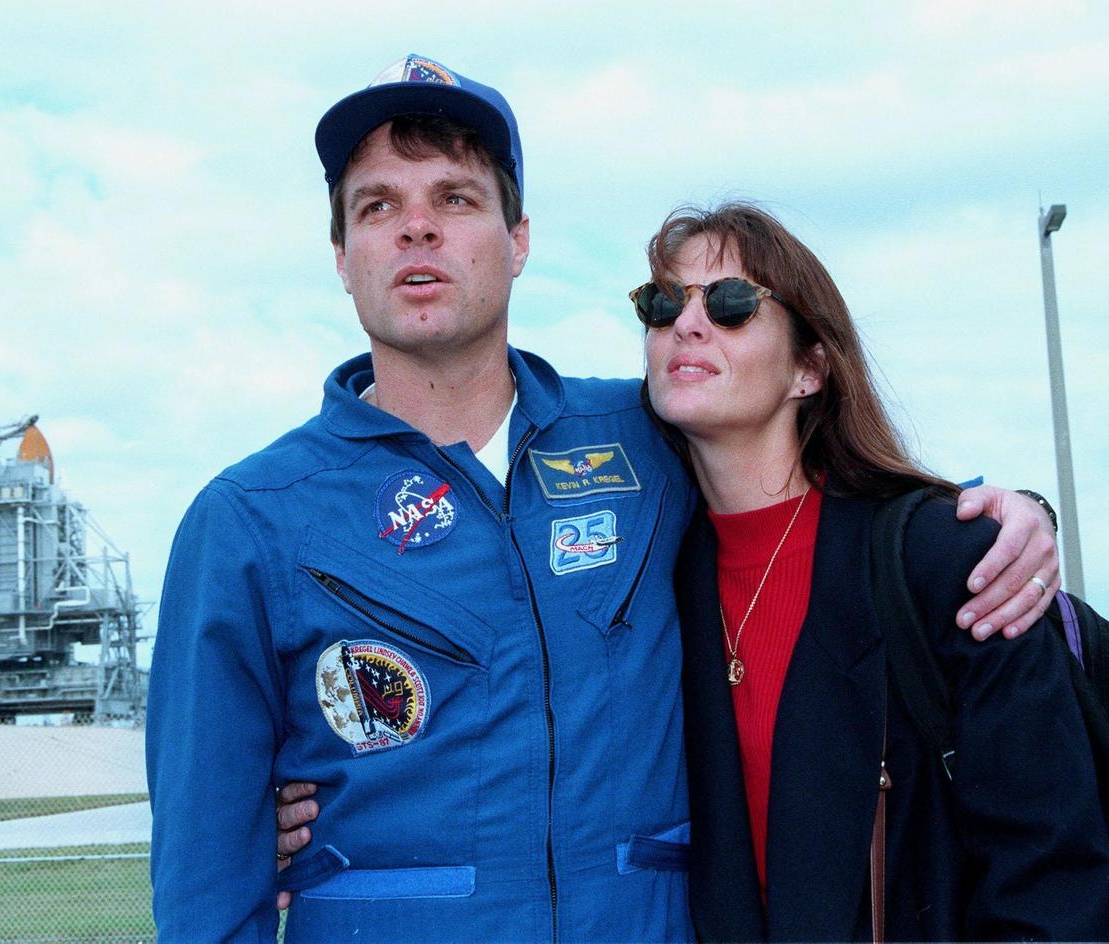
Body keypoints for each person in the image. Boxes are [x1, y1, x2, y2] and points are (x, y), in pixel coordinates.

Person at [145, 55, 1059, 943]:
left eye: (455, 199)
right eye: (377, 206)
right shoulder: (251, 522)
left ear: (520, 242)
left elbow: (810, 480)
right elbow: (203, 890)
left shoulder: (646, 435)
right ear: (343, 257)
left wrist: (997, 514)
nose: (415, 229)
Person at [642, 203, 1109, 940]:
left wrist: (1028, 512)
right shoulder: (649, 576)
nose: (686, 325)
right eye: (664, 303)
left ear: (808, 368)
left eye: (731, 304)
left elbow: (1051, 869)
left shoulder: (946, 561)